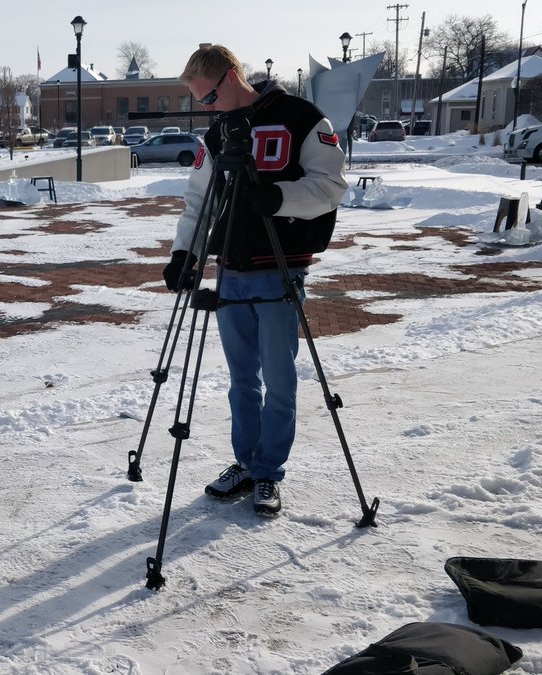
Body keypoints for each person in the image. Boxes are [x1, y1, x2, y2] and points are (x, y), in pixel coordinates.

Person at [163, 45, 346, 517]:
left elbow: (330, 186)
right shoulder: (219, 131)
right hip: (231, 270)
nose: (208, 109)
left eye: (209, 97)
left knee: (280, 381)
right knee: (242, 380)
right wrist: (185, 253)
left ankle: (269, 471)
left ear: (231, 76)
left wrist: (278, 198)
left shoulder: (302, 117)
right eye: (200, 103)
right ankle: (246, 462)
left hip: (280, 268)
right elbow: (200, 199)